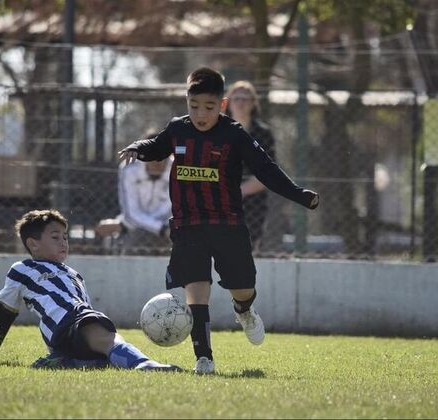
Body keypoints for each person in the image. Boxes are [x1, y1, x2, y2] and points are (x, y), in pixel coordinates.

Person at [119, 67, 319, 374]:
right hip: (188, 224)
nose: (201, 114)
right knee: (196, 291)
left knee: (242, 286)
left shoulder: (234, 135)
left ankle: (245, 310)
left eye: (209, 107)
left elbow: (266, 170)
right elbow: (157, 146)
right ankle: (204, 358)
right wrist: (138, 147)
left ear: (222, 105)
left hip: (227, 224)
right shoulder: (177, 129)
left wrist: (298, 194)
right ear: (187, 102)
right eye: (194, 106)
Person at [0, 209, 181, 372]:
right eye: (55, 237)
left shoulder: (73, 274)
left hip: (79, 324)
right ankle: (142, 363)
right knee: (107, 339)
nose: (63, 242)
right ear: (34, 244)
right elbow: (4, 311)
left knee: (102, 355)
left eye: (65, 237)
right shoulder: (22, 269)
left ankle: (66, 361)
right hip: (65, 322)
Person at [226, 81, 276, 250]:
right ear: (228, 103)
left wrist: (239, 192)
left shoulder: (263, 134)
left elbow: (268, 174)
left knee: (247, 250)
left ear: (254, 103)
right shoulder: (217, 130)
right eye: (237, 98)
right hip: (220, 200)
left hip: (253, 203)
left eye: (246, 99)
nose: (241, 103)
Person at [95, 153, 172, 255]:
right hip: (145, 226)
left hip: (167, 225)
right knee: (107, 229)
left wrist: (124, 225)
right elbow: (131, 212)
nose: (156, 161)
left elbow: (169, 209)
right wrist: (161, 228)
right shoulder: (129, 168)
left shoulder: (177, 168)